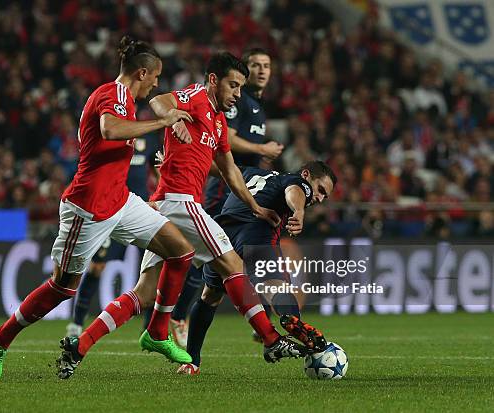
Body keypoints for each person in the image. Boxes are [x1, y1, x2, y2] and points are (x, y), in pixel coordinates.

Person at [56, 52, 307, 380]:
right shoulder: (197, 97)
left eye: (240, 87)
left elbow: (230, 170)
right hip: (179, 203)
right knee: (231, 264)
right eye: (232, 85)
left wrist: (256, 207)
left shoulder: (218, 121)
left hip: (166, 208)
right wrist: (173, 117)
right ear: (214, 80)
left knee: (144, 292)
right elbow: (159, 100)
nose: (236, 93)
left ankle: (80, 345)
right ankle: (271, 339)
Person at [0, 36, 196, 380]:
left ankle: (157, 333)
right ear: (142, 73)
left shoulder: (126, 100)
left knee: (181, 252)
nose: (157, 84)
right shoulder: (111, 95)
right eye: (155, 77)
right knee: (62, 288)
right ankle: (0, 339)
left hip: (121, 201)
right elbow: (109, 129)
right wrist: (163, 121)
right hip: (89, 209)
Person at [167, 48, 283, 347]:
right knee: (215, 260)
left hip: (244, 191)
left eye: (266, 65)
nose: (261, 70)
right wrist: (261, 151)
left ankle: (169, 323)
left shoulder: (253, 103)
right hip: (224, 195)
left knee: (226, 260)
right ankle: (179, 317)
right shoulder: (231, 103)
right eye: (255, 64)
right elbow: (226, 143)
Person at [178, 161, 337, 375]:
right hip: (256, 232)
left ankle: (191, 362)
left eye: (325, 197)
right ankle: (289, 325)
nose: (319, 198)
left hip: (221, 234)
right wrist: (298, 211)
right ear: (307, 174)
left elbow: (215, 167)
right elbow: (296, 190)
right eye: (320, 190)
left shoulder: (249, 170)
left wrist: (178, 165)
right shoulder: (295, 181)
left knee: (210, 296)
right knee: (276, 288)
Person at [66, 131, 160, 337]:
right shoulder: (110, 134)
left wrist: (160, 193)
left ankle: (150, 327)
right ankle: (77, 322)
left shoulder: (148, 138)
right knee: (97, 267)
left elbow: (157, 167)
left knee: (155, 263)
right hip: (111, 208)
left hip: (139, 210)